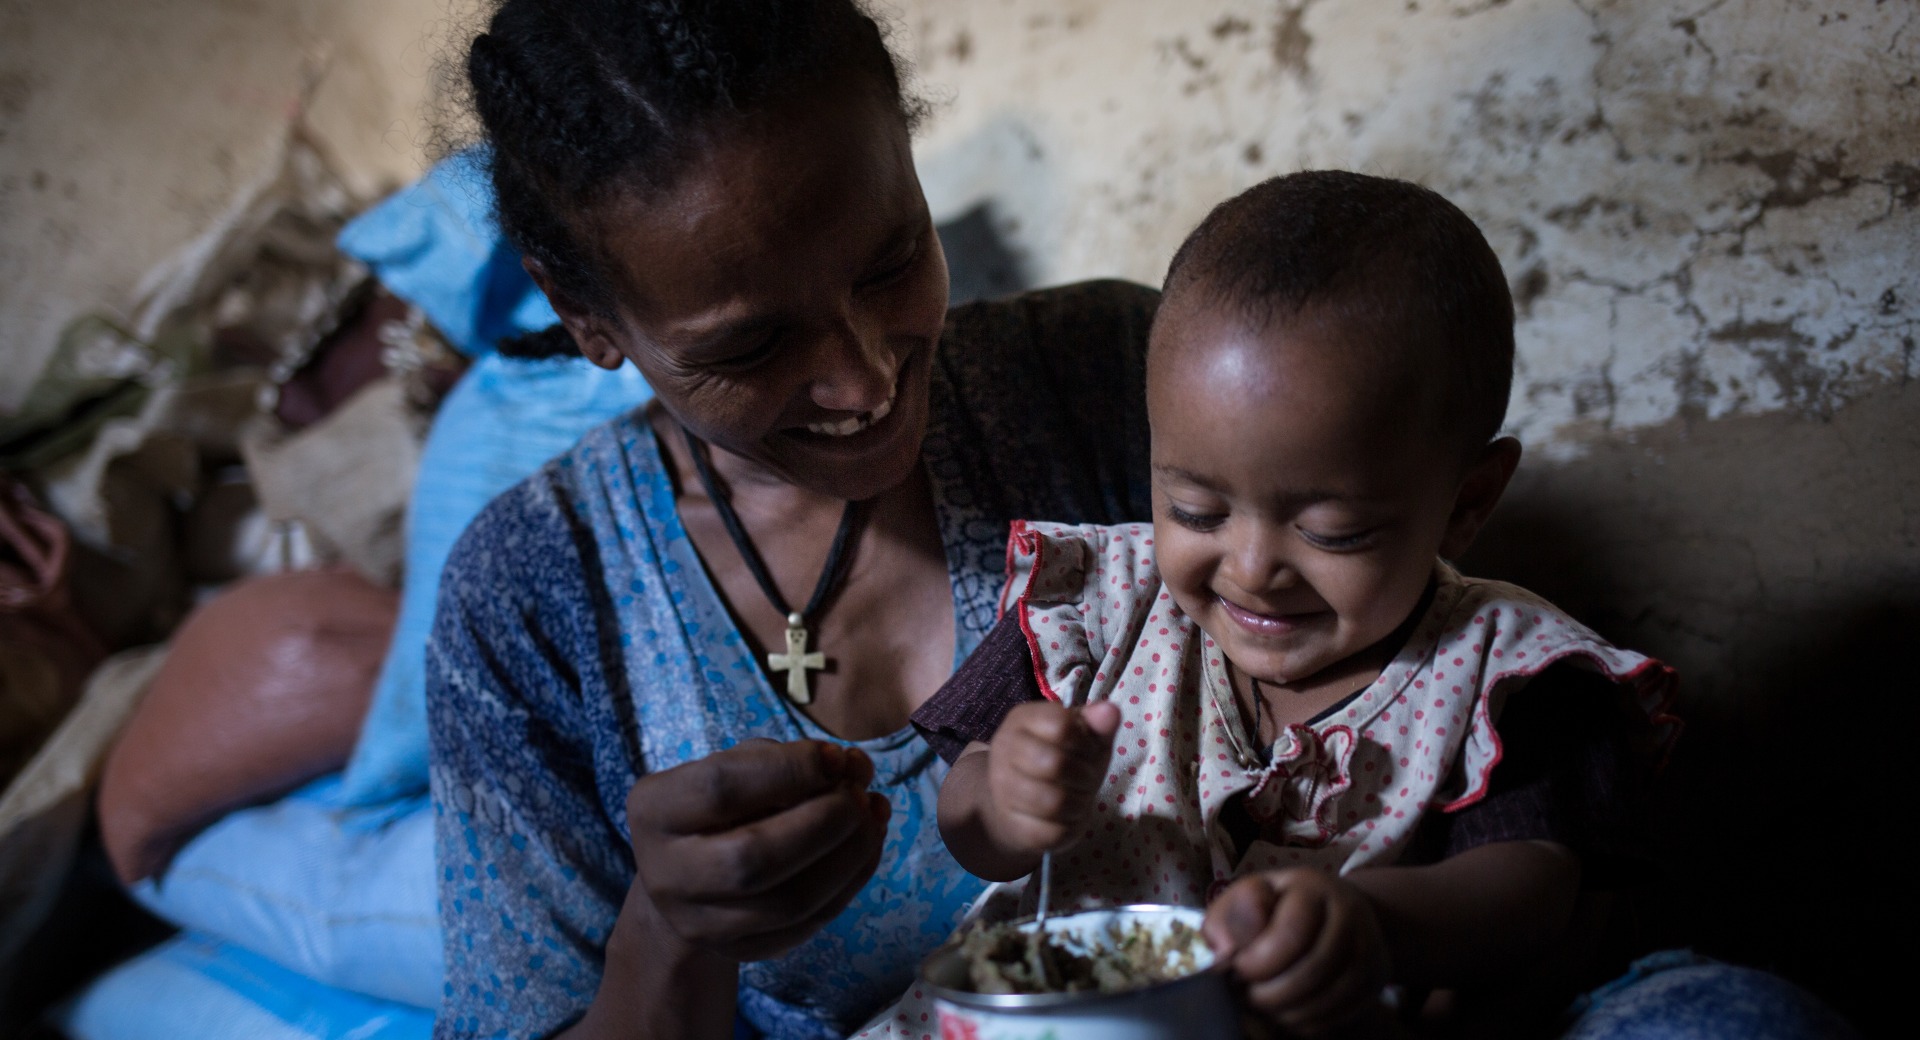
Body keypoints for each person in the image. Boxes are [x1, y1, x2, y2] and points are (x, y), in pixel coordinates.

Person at [868, 171, 1830, 1039]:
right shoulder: (1094, 606)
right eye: (1195, 509)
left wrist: (1374, 925)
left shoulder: (1513, 676)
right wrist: (1003, 799)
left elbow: (1533, 888)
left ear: (1468, 502)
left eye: (1332, 531)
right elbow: (971, 823)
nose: (1253, 569)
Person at [425, 3, 1158, 1039]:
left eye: (891, 261)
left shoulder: (1116, 378)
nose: (865, 379)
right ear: (585, 316)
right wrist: (672, 935)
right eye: (750, 347)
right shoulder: (529, 596)